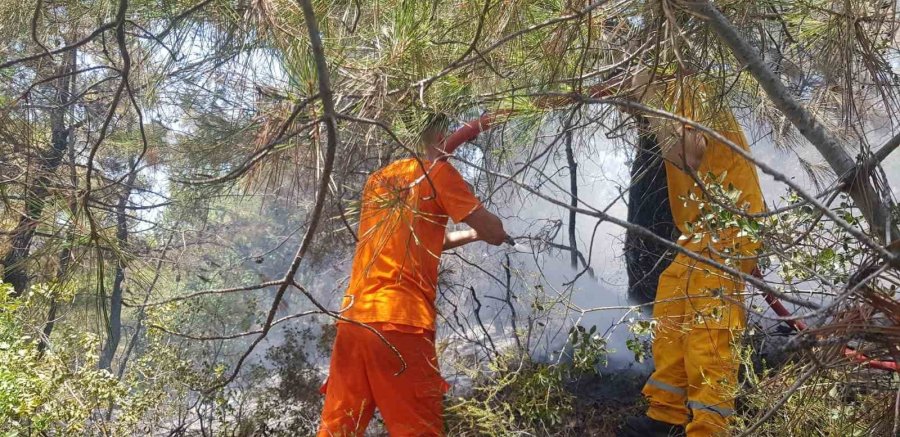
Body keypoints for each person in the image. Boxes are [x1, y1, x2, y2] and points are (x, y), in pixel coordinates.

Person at [317, 114, 508, 436]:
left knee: (338, 429)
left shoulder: (380, 179)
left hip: (355, 320)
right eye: (454, 136)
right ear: (437, 134)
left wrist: (471, 236)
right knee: (418, 429)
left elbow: (424, 240)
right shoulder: (439, 174)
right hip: (400, 323)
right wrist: (493, 232)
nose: (459, 146)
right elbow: (492, 228)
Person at [618, 72, 765, 437]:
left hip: (729, 228)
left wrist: (644, 91)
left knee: (708, 334)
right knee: (670, 320)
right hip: (700, 232)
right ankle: (665, 417)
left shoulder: (688, 88)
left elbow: (687, 155)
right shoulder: (672, 92)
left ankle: (709, 427)